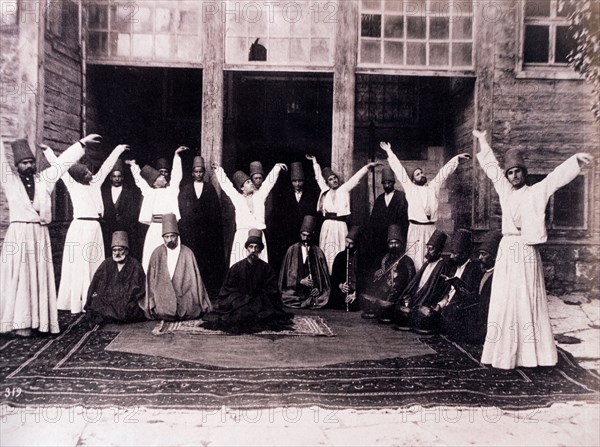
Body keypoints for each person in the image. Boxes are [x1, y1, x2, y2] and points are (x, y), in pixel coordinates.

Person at [473, 129, 593, 369]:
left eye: (517, 171)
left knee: (527, 298)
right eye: (510, 172)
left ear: (524, 173)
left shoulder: (536, 192)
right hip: (508, 249)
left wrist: (576, 161)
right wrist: (483, 142)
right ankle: (503, 354)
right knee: (506, 299)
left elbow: (555, 178)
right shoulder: (505, 192)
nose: (513, 175)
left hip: (527, 250)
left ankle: (531, 355)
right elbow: (492, 170)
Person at [0, 134, 99, 336]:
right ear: (17, 165)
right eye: (24, 163)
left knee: (38, 277)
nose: (28, 166)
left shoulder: (43, 180)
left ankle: (39, 322)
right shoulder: (10, 182)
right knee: (19, 278)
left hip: (39, 234)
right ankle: (19, 324)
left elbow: (62, 164)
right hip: (19, 235)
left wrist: (81, 144)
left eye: (31, 162)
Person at [57, 143, 129, 314]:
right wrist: (48, 152)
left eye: (89, 171)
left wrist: (117, 149)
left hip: (95, 228)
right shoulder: (74, 186)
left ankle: (93, 298)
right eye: (86, 173)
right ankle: (77, 301)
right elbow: (59, 167)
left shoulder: (95, 183)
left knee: (94, 263)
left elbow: (106, 167)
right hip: (80, 228)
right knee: (80, 264)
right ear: (79, 177)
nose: (90, 174)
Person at [379, 141, 471, 271]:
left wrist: (457, 158)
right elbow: (399, 170)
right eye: (417, 174)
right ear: (412, 179)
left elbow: (443, 173)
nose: (421, 175)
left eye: (422, 173)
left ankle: (427, 287)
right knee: (414, 260)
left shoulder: (433, 187)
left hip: (430, 229)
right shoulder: (410, 188)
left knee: (430, 260)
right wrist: (389, 151)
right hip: (415, 229)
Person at [202, 229, 294, 334]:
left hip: (259, 303)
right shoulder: (236, 268)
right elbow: (227, 291)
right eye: (250, 247)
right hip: (241, 303)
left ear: (260, 250)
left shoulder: (266, 268)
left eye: (256, 247)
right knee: (241, 314)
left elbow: (272, 290)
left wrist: (257, 299)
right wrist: (242, 299)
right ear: (246, 249)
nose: (253, 250)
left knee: (264, 313)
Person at [306, 154, 380, 272]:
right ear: (327, 182)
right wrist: (314, 161)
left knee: (340, 251)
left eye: (335, 178)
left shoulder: (344, 189)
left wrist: (367, 167)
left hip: (340, 226)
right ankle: (327, 278)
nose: (334, 180)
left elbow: (356, 179)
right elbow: (318, 177)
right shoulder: (325, 192)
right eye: (330, 179)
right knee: (327, 252)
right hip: (328, 227)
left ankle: (339, 279)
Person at [212, 161, 287, 266]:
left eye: (250, 181)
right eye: (247, 182)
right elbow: (227, 186)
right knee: (239, 265)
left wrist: (277, 168)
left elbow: (268, 184)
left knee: (260, 266)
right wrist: (218, 171)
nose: (251, 182)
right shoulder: (237, 198)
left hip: (258, 236)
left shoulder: (260, 196)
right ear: (242, 188)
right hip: (242, 237)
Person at [141, 213, 212, 321]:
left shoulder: (187, 253)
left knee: (190, 310)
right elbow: (151, 282)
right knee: (163, 310)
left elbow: (195, 281)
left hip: (184, 295)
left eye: (172, 236)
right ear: (163, 238)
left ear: (177, 236)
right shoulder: (156, 253)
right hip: (164, 295)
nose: (170, 240)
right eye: (167, 237)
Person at [128, 146, 188, 271]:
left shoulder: (172, 190)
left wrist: (176, 156)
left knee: (172, 258)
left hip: (170, 228)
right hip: (155, 229)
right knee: (152, 257)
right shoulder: (149, 192)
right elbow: (140, 180)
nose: (164, 177)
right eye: (160, 177)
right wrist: (133, 166)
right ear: (155, 181)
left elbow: (177, 175)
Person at [440, 230, 503, 345]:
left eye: (484, 254)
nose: (479, 258)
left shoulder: (498, 276)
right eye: (480, 254)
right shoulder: (485, 273)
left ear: (494, 257)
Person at [178, 155, 225, 299]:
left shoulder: (209, 189)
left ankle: (207, 292)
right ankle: (192, 292)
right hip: (191, 235)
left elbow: (215, 213)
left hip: (207, 235)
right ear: (192, 173)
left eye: (201, 172)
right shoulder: (186, 189)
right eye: (196, 172)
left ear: (204, 172)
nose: (198, 174)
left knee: (207, 261)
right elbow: (182, 211)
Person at [393, 229, 451, 334]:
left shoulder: (442, 266)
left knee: (416, 314)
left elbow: (438, 291)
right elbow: (415, 284)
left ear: (439, 251)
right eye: (427, 248)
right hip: (416, 298)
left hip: (426, 301)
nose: (428, 252)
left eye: (431, 249)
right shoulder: (427, 263)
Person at [84, 231, 146, 324]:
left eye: (120, 250)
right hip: (109, 299)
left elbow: (140, 288)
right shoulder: (106, 264)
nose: (117, 253)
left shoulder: (135, 265)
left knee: (130, 310)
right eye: (115, 250)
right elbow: (96, 284)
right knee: (97, 304)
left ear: (126, 251)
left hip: (127, 299)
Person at [359, 224, 416, 323]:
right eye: (391, 243)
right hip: (382, 293)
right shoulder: (384, 259)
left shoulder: (407, 261)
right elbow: (373, 279)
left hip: (397, 295)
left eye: (396, 243)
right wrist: (377, 274)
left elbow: (412, 280)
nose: (393, 245)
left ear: (401, 244)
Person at [270, 161, 319, 273]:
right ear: (291, 182)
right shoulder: (285, 195)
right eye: (295, 181)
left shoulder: (310, 195)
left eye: (300, 181)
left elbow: (313, 214)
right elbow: (280, 216)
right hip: (288, 233)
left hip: (305, 233)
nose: (297, 184)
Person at [362, 166, 409, 272]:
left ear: (394, 182)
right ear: (382, 184)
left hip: (396, 238)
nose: (387, 185)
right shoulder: (379, 199)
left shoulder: (401, 197)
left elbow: (404, 219)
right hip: (381, 239)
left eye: (389, 182)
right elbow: (373, 221)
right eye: (385, 183)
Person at [279, 215, 331, 308]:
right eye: (303, 235)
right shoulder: (292, 249)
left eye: (308, 236)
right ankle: (304, 302)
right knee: (286, 297)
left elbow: (323, 277)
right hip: (295, 291)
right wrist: (300, 281)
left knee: (321, 298)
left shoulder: (318, 251)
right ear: (300, 234)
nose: (305, 239)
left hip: (311, 292)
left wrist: (317, 288)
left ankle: (308, 301)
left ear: (312, 235)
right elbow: (285, 275)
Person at [100, 158, 143, 263]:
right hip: (109, 229)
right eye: (114, 176)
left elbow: (133, 211)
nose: (117, 179)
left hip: (125, 229)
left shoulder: (129, 192)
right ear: (110, 177)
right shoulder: (104, 192)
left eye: (119, 176)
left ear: (122, 177)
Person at [434, 229, 483, 315]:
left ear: (464, 254)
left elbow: (471, 299)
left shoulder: (474, 270)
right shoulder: (452, 268)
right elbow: (448, 293)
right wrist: (440, 305)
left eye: (455, 253)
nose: (451, 257)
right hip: (444, 308)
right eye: (451, 253)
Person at [328, 225, 364, 311]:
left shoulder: (362, 258)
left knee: (356, 305)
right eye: (346, 242)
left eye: (351, 243)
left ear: (356, 244)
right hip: (343, 292)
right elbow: (334, 277)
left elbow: (365, 280)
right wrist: (340, 285)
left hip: (357, 292)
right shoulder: (340, 256)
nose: (348, 245)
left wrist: (356, 293)